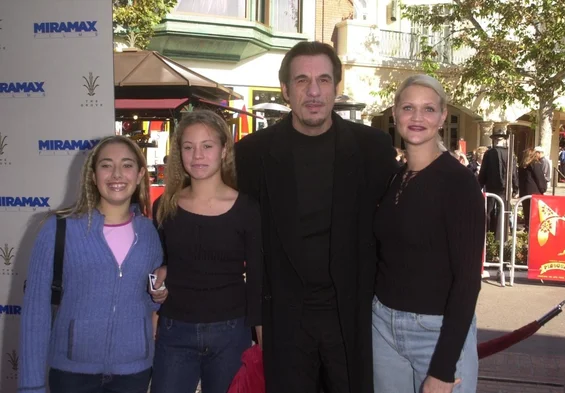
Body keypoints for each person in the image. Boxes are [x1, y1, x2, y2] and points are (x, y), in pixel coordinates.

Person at [234, 41, 398, 393]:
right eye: (301, 81)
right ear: (285, 91)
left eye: (324, 80)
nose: (313, 91)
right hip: (284, 318)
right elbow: (234, 231)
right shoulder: (251, 154)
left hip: (353, 315)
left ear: (336, 88)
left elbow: (401, 224)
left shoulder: (373, 149)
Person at [19, 136, 163, 393]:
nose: (117, 174)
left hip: (133, 375)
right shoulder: (58, 228)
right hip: (72, 375)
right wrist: (31, 386)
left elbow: (148, 300)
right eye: (106, 165)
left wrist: (159, 293)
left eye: (127, 165)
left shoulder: (150, 232)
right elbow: (35, 312)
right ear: (93, 175)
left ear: (140, 174)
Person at [372, 74, 484, 393]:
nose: (417, 117)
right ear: (395, 114)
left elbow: (467, 281)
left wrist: (443, 368)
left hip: (436, 332)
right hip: (382, 326)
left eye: (428, 109)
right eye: (408, 107)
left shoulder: (459, 183)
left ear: (443, 116)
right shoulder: (396, 178)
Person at [150, 110, 263, 393]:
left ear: (224, 150)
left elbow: (260, 280)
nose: (197, 155)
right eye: (189, 147)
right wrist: (158, 281)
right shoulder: (165, 206)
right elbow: (161, 264)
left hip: (231, 332)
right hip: (175, 330)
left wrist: (263, 342)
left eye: (207, 146)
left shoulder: (248, 209)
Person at [478, 129, 518, 238]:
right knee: (503, 210)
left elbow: (483, 171)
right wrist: (515, 188)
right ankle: (500, 236)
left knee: (489, 209)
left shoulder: (489, 153)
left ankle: (488, 233)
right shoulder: (510, 154)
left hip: (492, 185)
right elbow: (514, 172)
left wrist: (479, 185)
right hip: (504, 187)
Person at [518, 148, 547, 231]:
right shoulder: (535, 163)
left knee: (527, 213)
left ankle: (527, 229)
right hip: (534, 191)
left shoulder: (522, 165)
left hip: (524, 192)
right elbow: (539, 178)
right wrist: (543, 189)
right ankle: (533, 230)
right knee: (534, 213)